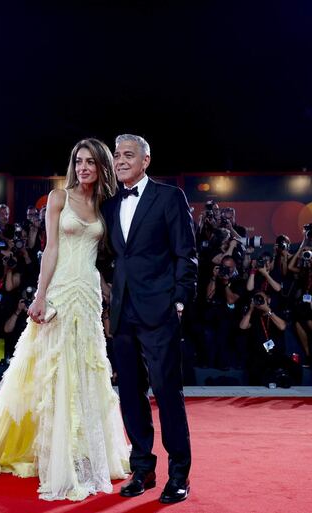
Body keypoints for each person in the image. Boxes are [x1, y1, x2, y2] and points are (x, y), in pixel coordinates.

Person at [0, 138, 129, 501]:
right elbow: (51, 250)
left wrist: (109, 295)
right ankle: (57, 455)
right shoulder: (60, 199)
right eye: (78, 161)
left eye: (90, 162)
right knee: (56, 370)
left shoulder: (105, 205)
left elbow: (104, 256)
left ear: (101, 166)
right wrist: (42, 294)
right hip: (61, 291)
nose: (83, 169)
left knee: (86, 369)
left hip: (88, 294)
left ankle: (85, 452)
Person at [102, 133, 197, 504]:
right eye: (116, 155)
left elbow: (186, 253)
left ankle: (179, 475)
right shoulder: (110, 205)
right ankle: (142, 468)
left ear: (146, 160)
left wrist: (179, 301)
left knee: (167, 393)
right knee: (130, 395)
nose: (121, 160)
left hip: (161, 311)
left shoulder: (170, 197)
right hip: (123, 313)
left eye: (128, 154)